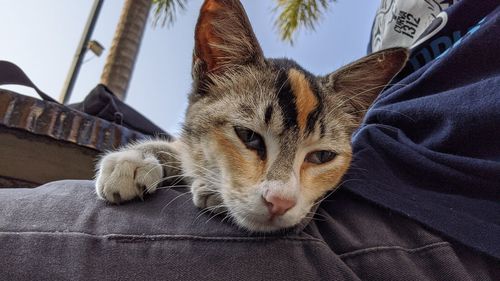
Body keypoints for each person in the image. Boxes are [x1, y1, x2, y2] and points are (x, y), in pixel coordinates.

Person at [0, 0, 498, 280]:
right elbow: (197, 138)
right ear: (211, 67)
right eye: (251, 139)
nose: (282, 195)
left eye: (319, 157)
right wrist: (161, 157)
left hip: (449, 218)